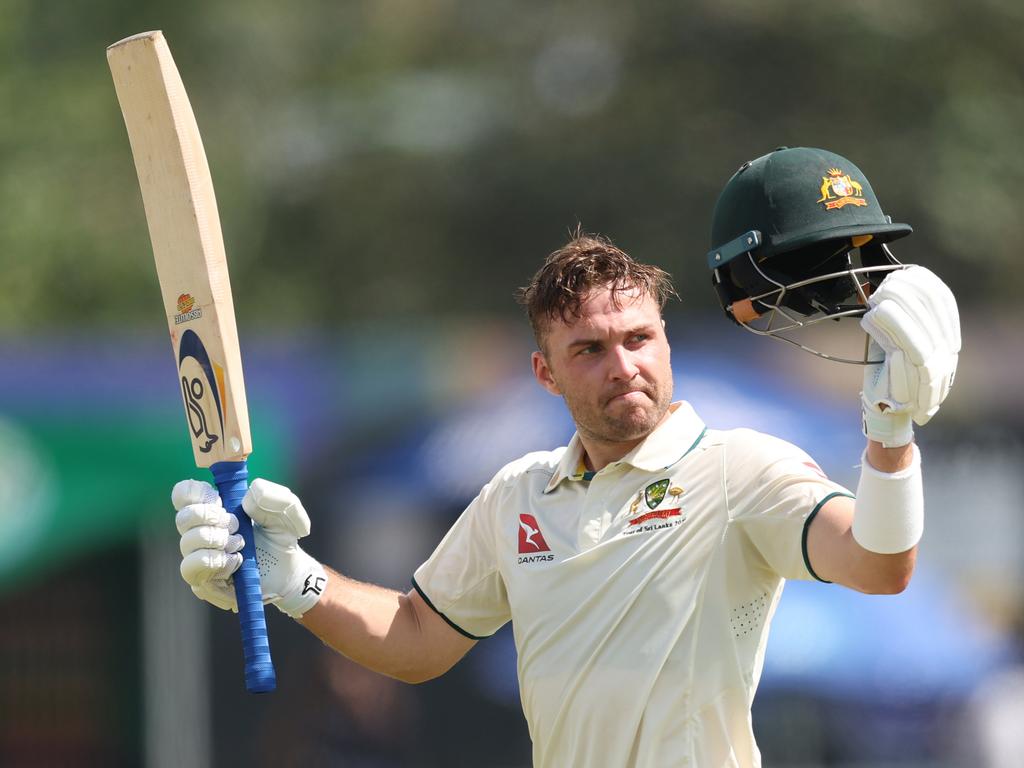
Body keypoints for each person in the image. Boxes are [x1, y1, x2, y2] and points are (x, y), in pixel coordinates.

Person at [173, 147, 961, 767]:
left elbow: (878, 563)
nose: (624, 366)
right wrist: (290, 578)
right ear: (545, 372)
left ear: (665, 341)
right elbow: (416, 640)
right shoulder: (518, 494)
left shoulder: (739, 468)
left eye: (639, 339)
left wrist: (890, 433)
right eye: (589, 349)